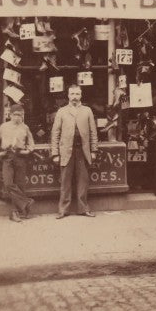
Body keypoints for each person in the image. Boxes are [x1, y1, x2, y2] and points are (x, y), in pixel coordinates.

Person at [51, 85, 99, 218]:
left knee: (83, 181)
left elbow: (93, 132)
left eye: (77, 94)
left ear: (81, 95)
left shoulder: (87, 110)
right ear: (68, 95)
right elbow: (55, 133)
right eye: (72, 94)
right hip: (66, 151)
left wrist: (93, 150)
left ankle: (83, 208)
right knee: (65, 181)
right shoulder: (61, 111)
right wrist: (55, 153)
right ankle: (63, 210)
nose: (74, 97)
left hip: (82, 151)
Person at [0, 103, 36, 223]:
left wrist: (26, 151)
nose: (17, 117)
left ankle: (16, 212)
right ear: (10, 115)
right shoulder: (3, 127)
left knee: (20, 185)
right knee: (8, 184)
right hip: (7, 157)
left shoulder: (25, 127)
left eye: (20, 115)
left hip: (20, 157)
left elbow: (32, 144)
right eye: (15, 115)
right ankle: (26, 203)